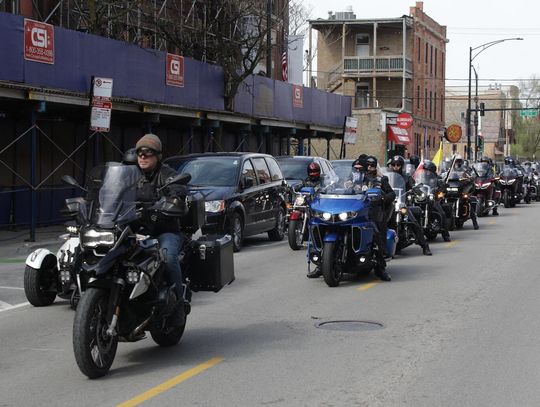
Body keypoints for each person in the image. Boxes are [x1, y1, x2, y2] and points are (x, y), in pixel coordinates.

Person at [134, 133, 188, 326]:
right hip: (133, 229)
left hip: (164, 230)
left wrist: (173, 196)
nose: (142, 157)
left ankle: (179, 305)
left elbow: (180, 187)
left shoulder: (166, 173)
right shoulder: (131, 174)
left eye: (148, 153)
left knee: (168, 257)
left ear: (157, 156)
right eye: (139, 153)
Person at [387, 155, 432, 256]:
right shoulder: (387, 178)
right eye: (393, 165)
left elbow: (413, 185)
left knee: (413, 222)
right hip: (390, 204)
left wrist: (415, 189)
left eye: (398, 165)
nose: (395, 167)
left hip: (402, 204)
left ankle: (425, 246)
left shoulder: (406, 177)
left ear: (401, 166)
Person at [364, 155, 395, 281]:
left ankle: (380, 269)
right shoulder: (359, 179)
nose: (369, 167)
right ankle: (323, 265)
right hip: (360, 213)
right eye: (367, 165)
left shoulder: (381, 180)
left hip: (376, 214)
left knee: (377, 237)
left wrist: (383, 198)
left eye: (372, 165)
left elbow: (391, 194)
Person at [423, 160, 452, 242]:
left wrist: (441, 188)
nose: (427, 172)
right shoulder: (421, 177)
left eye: (428, 170)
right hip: (423, 199)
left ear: (432, 171)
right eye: (425, 170)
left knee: (442, 214)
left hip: (433, 199)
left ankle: (445, 235)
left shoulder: (437, 178)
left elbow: (443, 187)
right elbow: (416, 184)